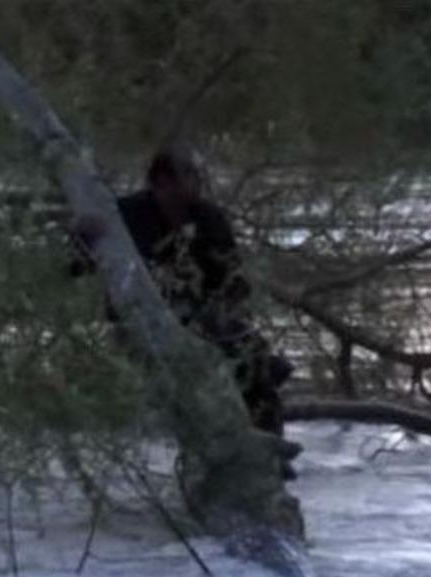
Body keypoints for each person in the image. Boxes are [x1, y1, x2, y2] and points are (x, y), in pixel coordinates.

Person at [69, 147, 298, 479]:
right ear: (161, 182)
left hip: (202, 317)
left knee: (257, 366)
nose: (195, 185)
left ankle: (270, 454)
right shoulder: (126, 215)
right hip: (141, 324)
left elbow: (234, 283)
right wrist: (81, 236)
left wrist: (218, 315)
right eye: (187, 177)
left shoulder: (208, 218)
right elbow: (78, 266)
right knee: (214, 372)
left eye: (196, 177)